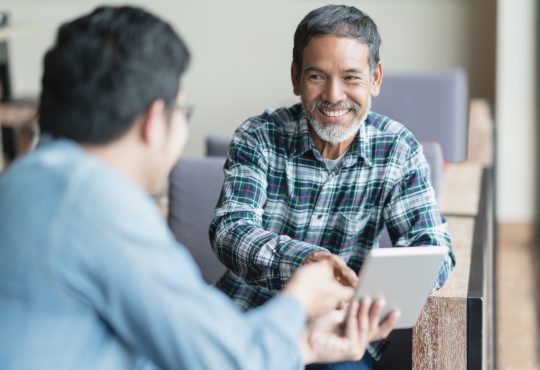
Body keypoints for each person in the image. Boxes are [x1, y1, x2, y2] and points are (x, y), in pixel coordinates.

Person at [0, 6, 399, 370]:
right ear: (156, 119)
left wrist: (305, 345)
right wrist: (298, 300)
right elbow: (227, 360)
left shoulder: (22, 182)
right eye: (183, 111)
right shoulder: (100, 207)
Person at [209, 4, 456, 369]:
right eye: (316, 77)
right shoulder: (258, 137)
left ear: (375, 78)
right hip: (250, 318)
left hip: (343, 330)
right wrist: (307, 263)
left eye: (351, 77)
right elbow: (230, 230)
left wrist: (371, 296)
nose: (334, 95)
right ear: (295, 78)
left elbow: (434, 249)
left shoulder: (398, 149)